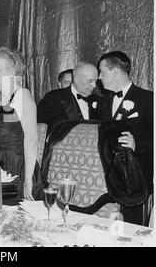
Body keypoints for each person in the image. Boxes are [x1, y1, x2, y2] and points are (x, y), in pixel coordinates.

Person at [97, 51, 153, 225]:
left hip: (136, 180)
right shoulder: (102, 102)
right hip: (106, 180)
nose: (99, 77)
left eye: (102, 71)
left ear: (115, 72)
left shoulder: (148, 99)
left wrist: (138, 145)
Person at [0, 47, 38, 201]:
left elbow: (31, 140)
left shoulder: (22, 95)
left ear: (12, 72)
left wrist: (28, 180)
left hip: (15, 168)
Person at [37, 62, 99, 133]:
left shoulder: (98, 100)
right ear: (76, 79)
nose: (94, 85)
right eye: (90, 81)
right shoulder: (53, 98)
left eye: (95, 81)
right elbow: (40, 127)